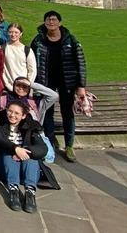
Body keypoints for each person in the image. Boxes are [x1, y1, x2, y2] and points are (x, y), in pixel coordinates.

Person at [31, 10, 87, 162]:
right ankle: (50, 141)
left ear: (60, 23)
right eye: (48, 20)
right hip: (46, 80)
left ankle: (69, 145)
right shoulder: (38, 41)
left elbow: (80, 63)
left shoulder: (71, 40)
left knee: (67, 112)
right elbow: (31, 62)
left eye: (54, 20)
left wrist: (81, 86)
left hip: (66, 81)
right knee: (47, 112)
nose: (51, 22)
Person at [0, 101, 47, 213]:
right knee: (8, 155)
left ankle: (30, 193)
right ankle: (13, 191)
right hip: (5, 168)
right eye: (10, 111)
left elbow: (43, 148)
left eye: (17, 113)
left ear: (23, 115)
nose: (12, 115)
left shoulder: (30, 126)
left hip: (26, 169)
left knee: (32, 158)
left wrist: (26, 152)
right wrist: (16, 149)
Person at [2, 23, 36, 91]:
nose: (13, 34)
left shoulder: (27, 50)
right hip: (8, 87)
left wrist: (26, 84)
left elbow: (32, 70)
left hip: (24, 88)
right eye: (10, 32)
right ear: (7, 33)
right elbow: (1, 70)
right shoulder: (2, 48)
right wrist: (8, 85)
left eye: (16, 32)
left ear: (21, 34)